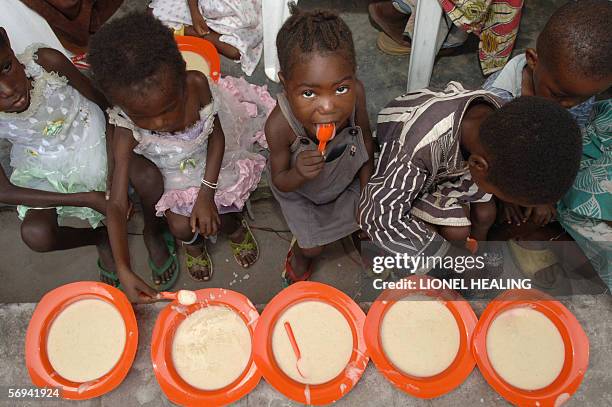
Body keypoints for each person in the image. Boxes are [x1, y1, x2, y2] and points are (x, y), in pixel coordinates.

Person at [88, 12, 268, 302]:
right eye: (143, 117)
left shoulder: (196, 84)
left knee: (229, 208)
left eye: (169, 107)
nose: (159, 123)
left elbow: (217, 137)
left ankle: (235, 227)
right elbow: (117, 204)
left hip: (211, 164)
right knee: (181, 226)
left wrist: (206, 195)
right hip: (172, 175)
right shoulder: (123, 127)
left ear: (182, 75)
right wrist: (123, 267)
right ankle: (193, 246)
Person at [359, 84, 582, 272]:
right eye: (501, 194)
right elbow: (376, 215)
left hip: (453, 161)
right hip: (412, 158)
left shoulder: (507, 120)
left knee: (486, 213)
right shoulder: (415, 149)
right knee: (448, 234)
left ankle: (474, 256)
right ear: (478, 165)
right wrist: (445, 259)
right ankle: (459, 259)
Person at [0, 28, 162, 285]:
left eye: (6, 67)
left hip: (95, 136)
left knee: (149, 179)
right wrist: (85, 199)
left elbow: (104, 104)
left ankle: (154, 231)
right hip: (46, 165)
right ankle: (100, 237)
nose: (7, 89)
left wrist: (112, 172)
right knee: (36, 234)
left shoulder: (45, 62)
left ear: (7, 41)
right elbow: (4, 191)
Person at [482, 0, 612, 285]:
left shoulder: (572, 89)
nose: (567, 105)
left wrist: (547, 197)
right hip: (503, 172)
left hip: (539, 167)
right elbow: (488, 162)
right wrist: (510, 197)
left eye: (582, 98)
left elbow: (567, 139)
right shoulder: (498, 101)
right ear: (532, 59)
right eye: (558, 94)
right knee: (496, 212)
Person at [265, 5, 375, 284]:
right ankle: (301, 255)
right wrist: (298, 173)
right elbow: (280, 181)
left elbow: (363, 139)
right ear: (286, 86)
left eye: (341, 89)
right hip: (301, 192)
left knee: (370, 221)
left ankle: (357, 234)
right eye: (309, 93)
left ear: (354, 76)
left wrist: (367, 192)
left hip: (346, 180)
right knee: (312, 247)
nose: (328, 107)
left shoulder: (358, 95)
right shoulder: (280, 126)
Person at [149, 0, 263, 75]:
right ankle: (199, 29)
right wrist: (194, 12)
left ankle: (193, 32)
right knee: (152, 14)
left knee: (236, 51)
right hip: (200, 7)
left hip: (238, 15)